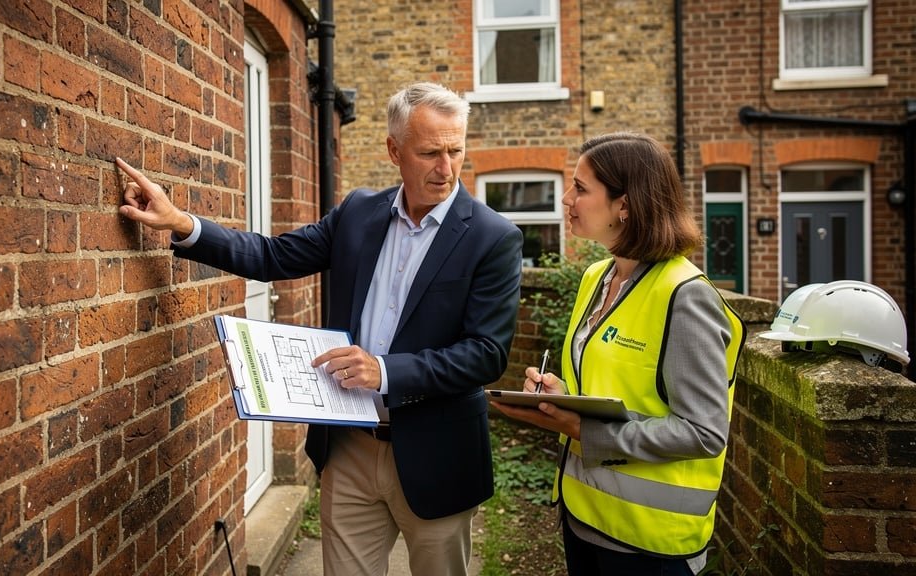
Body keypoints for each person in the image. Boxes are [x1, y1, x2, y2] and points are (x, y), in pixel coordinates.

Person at [116, 82, 524, 576]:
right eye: (430, 152)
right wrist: (182, 223)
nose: (446, 168)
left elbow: (485, 353)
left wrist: (384, 371)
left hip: (439, 455)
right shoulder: (358, 213)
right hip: (348, 446)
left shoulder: (493, 237)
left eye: (456, 150)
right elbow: (272, 256)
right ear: (394, 150)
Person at [491, 132, 745, 575]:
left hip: (650, 545)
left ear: (624, 205)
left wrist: (583, 430)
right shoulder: (595, 277)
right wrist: (561, 393)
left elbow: (704, 432)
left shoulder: (685, 296)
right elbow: (611, 388)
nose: (567, 199)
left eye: (581, 188)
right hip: (583, 518)